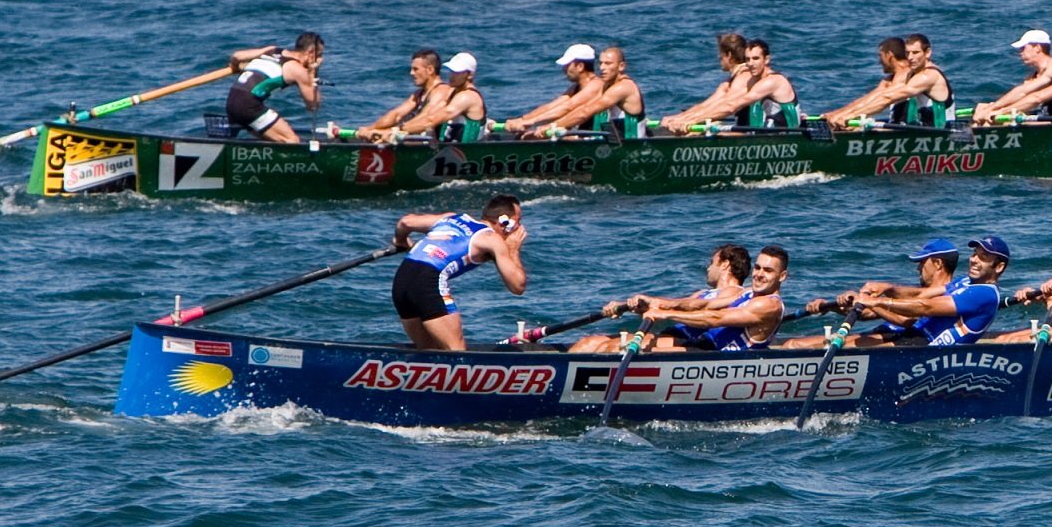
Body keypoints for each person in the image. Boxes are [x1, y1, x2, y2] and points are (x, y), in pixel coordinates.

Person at [577, 245, 790, 353]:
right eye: (758, 268)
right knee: (590, 342)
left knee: (613, 348)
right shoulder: (747, 294)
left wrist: (665, 313)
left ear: (782, 276)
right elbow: (699, 305)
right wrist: (647, 303)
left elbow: (713, 319)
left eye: (768, 271)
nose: (759, 274)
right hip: (701, 347)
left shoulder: (768, 304)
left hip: (717, 360)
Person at [391, 194, 528, 350]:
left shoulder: (451, 218)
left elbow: (405, 222)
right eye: (519, 221)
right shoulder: (491, 239)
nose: (520, 228)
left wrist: (401, 241)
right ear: (505, 222)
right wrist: (513, 250)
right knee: (456, 351)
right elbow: (518, 286)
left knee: (428, 350)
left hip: (401, 280)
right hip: (428, 281)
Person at [786, 237, 956, 348]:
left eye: (922, 262)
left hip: (903, 340)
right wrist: (835, 307)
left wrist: (870, 301)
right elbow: (867, 313)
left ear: (938, 264)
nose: (919, 268)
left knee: (794, 346)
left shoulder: (946, 296)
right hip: (885, 332)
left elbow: (907, 320)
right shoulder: (917, 292)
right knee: (791, 344)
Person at [848, 235, 1010, 347]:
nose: (974, 260)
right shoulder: (965, 281)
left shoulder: (985, 294)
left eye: (983, 257)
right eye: (975, 254)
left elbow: (926, 307)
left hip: (929, 349)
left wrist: (876, 302)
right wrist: (888, 288)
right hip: (915, 336)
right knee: (839, 344)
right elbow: (920, 295)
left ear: (999, 267)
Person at [661, 32, 791, 133]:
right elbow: (708, 105)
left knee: (706, 134)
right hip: (760, 134)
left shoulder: (764, 80)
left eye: (755, 59)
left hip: (782, 137)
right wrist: (681, 118)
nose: (750, 64)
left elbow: (730, 106)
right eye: (748, 59)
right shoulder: (737, 80)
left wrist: (691, 121)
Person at [225, 33, 323, 144]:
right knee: (292, 141)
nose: (320, 59)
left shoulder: (272, 50)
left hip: (231, 101)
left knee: (273, 138)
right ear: (310, 53)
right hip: (248, 105)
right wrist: (312, 72)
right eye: (319, 55)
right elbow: (313, 105)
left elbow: (236, 56)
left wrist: (236, 66)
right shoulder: (297, 69)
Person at [533, 45, 645, 140]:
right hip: (611, 142)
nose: (602, 68)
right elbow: (583, 108)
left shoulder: (623, 87)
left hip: (632, 146)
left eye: (608, 63)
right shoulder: (606, 86)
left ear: (621, 66)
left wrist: (551, 126)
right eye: (600, 63)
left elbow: (586, 112)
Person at [510, 43, 602, 136]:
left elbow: (567, 107)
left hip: (594, 136)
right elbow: (551, 106)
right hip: (579, 132)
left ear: (580, 66)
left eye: (567, 65)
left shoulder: (596, 84)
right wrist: (522, 119)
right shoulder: (575, 87)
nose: (564, 69)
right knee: (526, 136)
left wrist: (529, 122)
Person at [823, 37, 911, 125]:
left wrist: (850, 116)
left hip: (912, 128)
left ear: (889, 55)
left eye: (880, 56)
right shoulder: (889, 80)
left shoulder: (908, 74)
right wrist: (837, 114)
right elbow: (867, 100)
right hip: (897, 124)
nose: (879, 61)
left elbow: (885, 100)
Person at [364, 48, 446, 142]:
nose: (411, 73)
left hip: (425, 142)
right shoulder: (418, 94)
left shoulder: (441, 91)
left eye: (416, 69)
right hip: (407, 136)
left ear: (430, 70)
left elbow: (425, 118)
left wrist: (390, 131)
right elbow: (396, 115)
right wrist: (370, 129)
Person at [892, 33, 954, 126]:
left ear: (927, 52)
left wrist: (862, 111)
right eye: (907, 53)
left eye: (915, 53)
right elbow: (886, 93)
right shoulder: (910, 74)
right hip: (921, 130)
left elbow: (888, 97)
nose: (910, 58)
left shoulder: (930, 75)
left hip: (942, 132)